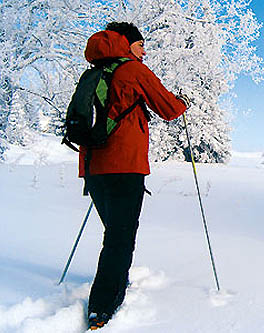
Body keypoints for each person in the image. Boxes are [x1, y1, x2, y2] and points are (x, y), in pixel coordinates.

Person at [80, 22, 190, 330]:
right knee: (120, 236)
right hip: (124, 165)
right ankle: (102, 307)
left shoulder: (93, 73)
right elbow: (169, 109)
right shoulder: (133, 71)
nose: (144, 50)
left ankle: (115, 283)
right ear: (125, 44)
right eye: (140, 45)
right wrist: (183, 102)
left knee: (115, 231)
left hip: (92, 167)